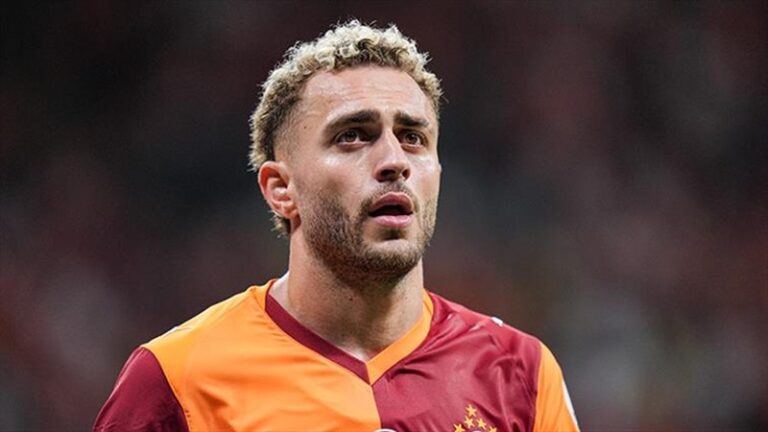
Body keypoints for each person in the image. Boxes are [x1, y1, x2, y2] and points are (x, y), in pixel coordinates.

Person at [94, 21, 579, 432]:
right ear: (281, 189)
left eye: (413, 137)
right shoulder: (177, 380)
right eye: (353, 136)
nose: (394, 161)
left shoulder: (521, 374)